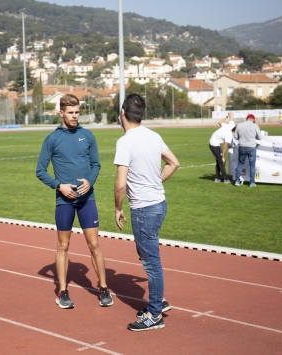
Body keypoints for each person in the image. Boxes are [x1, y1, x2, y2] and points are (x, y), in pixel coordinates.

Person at [36, 94, 113, 309]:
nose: (74, 116)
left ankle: (104, 288)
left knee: (94, 244)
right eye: (70, 113)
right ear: (61, 113)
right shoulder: (52, 139)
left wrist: (89, 181)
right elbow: (40, 171)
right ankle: (62, 292)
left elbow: (96, 165)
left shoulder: (88, 136)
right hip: (64, 202)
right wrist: (58, 185)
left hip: (88, 200)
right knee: (63, 246)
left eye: (77, 112)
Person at [114, 93, 180, 331]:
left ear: (122, 114)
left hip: (143, 208)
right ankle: (157, 302)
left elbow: (120, 184)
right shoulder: (154, 136)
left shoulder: (125, 141)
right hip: (159, 204)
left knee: (151, 262)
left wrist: (118, 208)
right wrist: (157, 182)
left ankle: (154, 314)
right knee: (148, 257)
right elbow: (174, 163)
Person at [233, 113, 262, 188]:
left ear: (246, 119)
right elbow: (259, 137)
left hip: (242, 146)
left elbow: (235, 137)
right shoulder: (255, 126)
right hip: (251, 146)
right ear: (253, 119)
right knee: (252, 165)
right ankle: (252, 182)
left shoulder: (239, 125)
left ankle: (237, 180)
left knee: (240, 163)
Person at [209, 114, 234, 183]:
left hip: (216, 142)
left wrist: (227, 116)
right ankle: (226, 179)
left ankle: (217, 178)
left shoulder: (231, 126)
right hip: (213, 144)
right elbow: (225, 146)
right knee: (221, 161)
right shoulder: (229, 135)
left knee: (219, 161)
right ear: (234, 132)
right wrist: (223, 157)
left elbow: (220, 122)